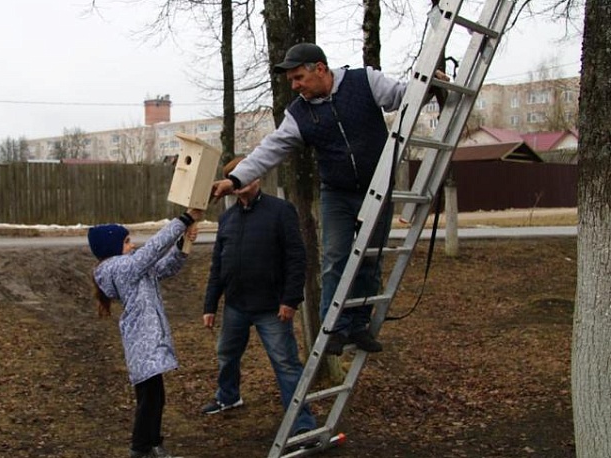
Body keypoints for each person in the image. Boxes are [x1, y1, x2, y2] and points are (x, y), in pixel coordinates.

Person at [212, 42, 434, 355]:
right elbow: (270, 149)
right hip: (337, 193)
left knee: (370, 258)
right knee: (335, 258)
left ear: (320, 68)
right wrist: (235, 178)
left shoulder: (363, 82)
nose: (295, 85)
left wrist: (429, 85)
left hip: (378, 186)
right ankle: (335, 329)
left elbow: (401, 94)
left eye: (299, 77)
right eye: (291, 80)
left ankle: (358, 325)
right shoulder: (298, 114)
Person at [201, 156, 317, 445]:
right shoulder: (227, 218)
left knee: (286, 363)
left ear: (258, 177)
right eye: (234, 177)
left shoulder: (280, 211)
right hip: (236, 306)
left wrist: (290, 299)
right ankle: (228, 396)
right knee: (226, 354)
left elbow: (296, 257)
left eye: (246, 175)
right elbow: (218, 264)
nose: (241, 182)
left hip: (271, 307)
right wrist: (210, 305)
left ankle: (303, 423)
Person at [89, 210, 202, 458]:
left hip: (149, 342)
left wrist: (183, 244)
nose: (133, 245)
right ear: (112, 247)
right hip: (143, 342)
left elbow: (164, 267)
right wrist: (183, 220)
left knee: (155, 398)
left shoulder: (132, 268)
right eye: (127, 241)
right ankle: (140, 449)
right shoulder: (120, 268)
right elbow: (153, 250)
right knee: (149, 400)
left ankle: (152, 444)